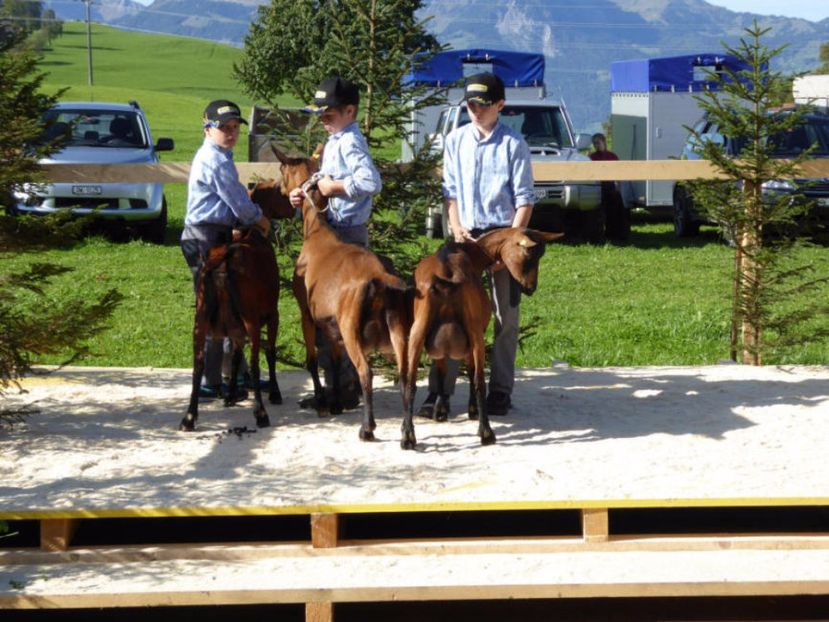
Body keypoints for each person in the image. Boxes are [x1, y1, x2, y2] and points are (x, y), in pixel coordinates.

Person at [418, 72, 535, 418]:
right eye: (470, 104)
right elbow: (449, 194)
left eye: (482, 104)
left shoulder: (514, 145)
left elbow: (525, 200)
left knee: (505, 316)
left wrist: (511, 246)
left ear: (500, 105)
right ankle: (439, 392)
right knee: (450, 312)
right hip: (464, 240)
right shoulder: (454, 141)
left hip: (503, 236)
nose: (475, 110)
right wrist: (455, 228)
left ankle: (498, 391)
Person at [289, 76, 382, 407]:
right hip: (334, 231)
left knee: (338, 316)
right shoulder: (336, 140)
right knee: (331, 316)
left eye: (328, 114)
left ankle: (343, 388)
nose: (322, 119)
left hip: (346, 235)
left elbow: (371, 181)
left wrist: (334, 189)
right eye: (320, 114)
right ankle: (338, 387)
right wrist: (309, 189)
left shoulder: (350, 142)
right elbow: (325, 177)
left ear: (349, 111)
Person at [181, 99, 271, 400]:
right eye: (223, 128)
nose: (230, 133)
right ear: (207, 129)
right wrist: (260, 220)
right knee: (212, 304)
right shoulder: (216, 160)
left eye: (234, 128)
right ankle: (211, 380)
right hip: (204, 237)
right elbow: (238, 202)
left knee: (229, 302)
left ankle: (236, 373)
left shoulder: (220, 155)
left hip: (214, 233)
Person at [589, 132, 630, 241]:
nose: (596, 145)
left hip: (610, 186)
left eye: (598, 142)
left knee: (616, 211)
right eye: (594, 143)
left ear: (603, 142)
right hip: (598, 187)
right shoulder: (592, 157)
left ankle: (617, 233)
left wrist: (618, 187)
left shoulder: (612, 156)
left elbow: (618, 173)